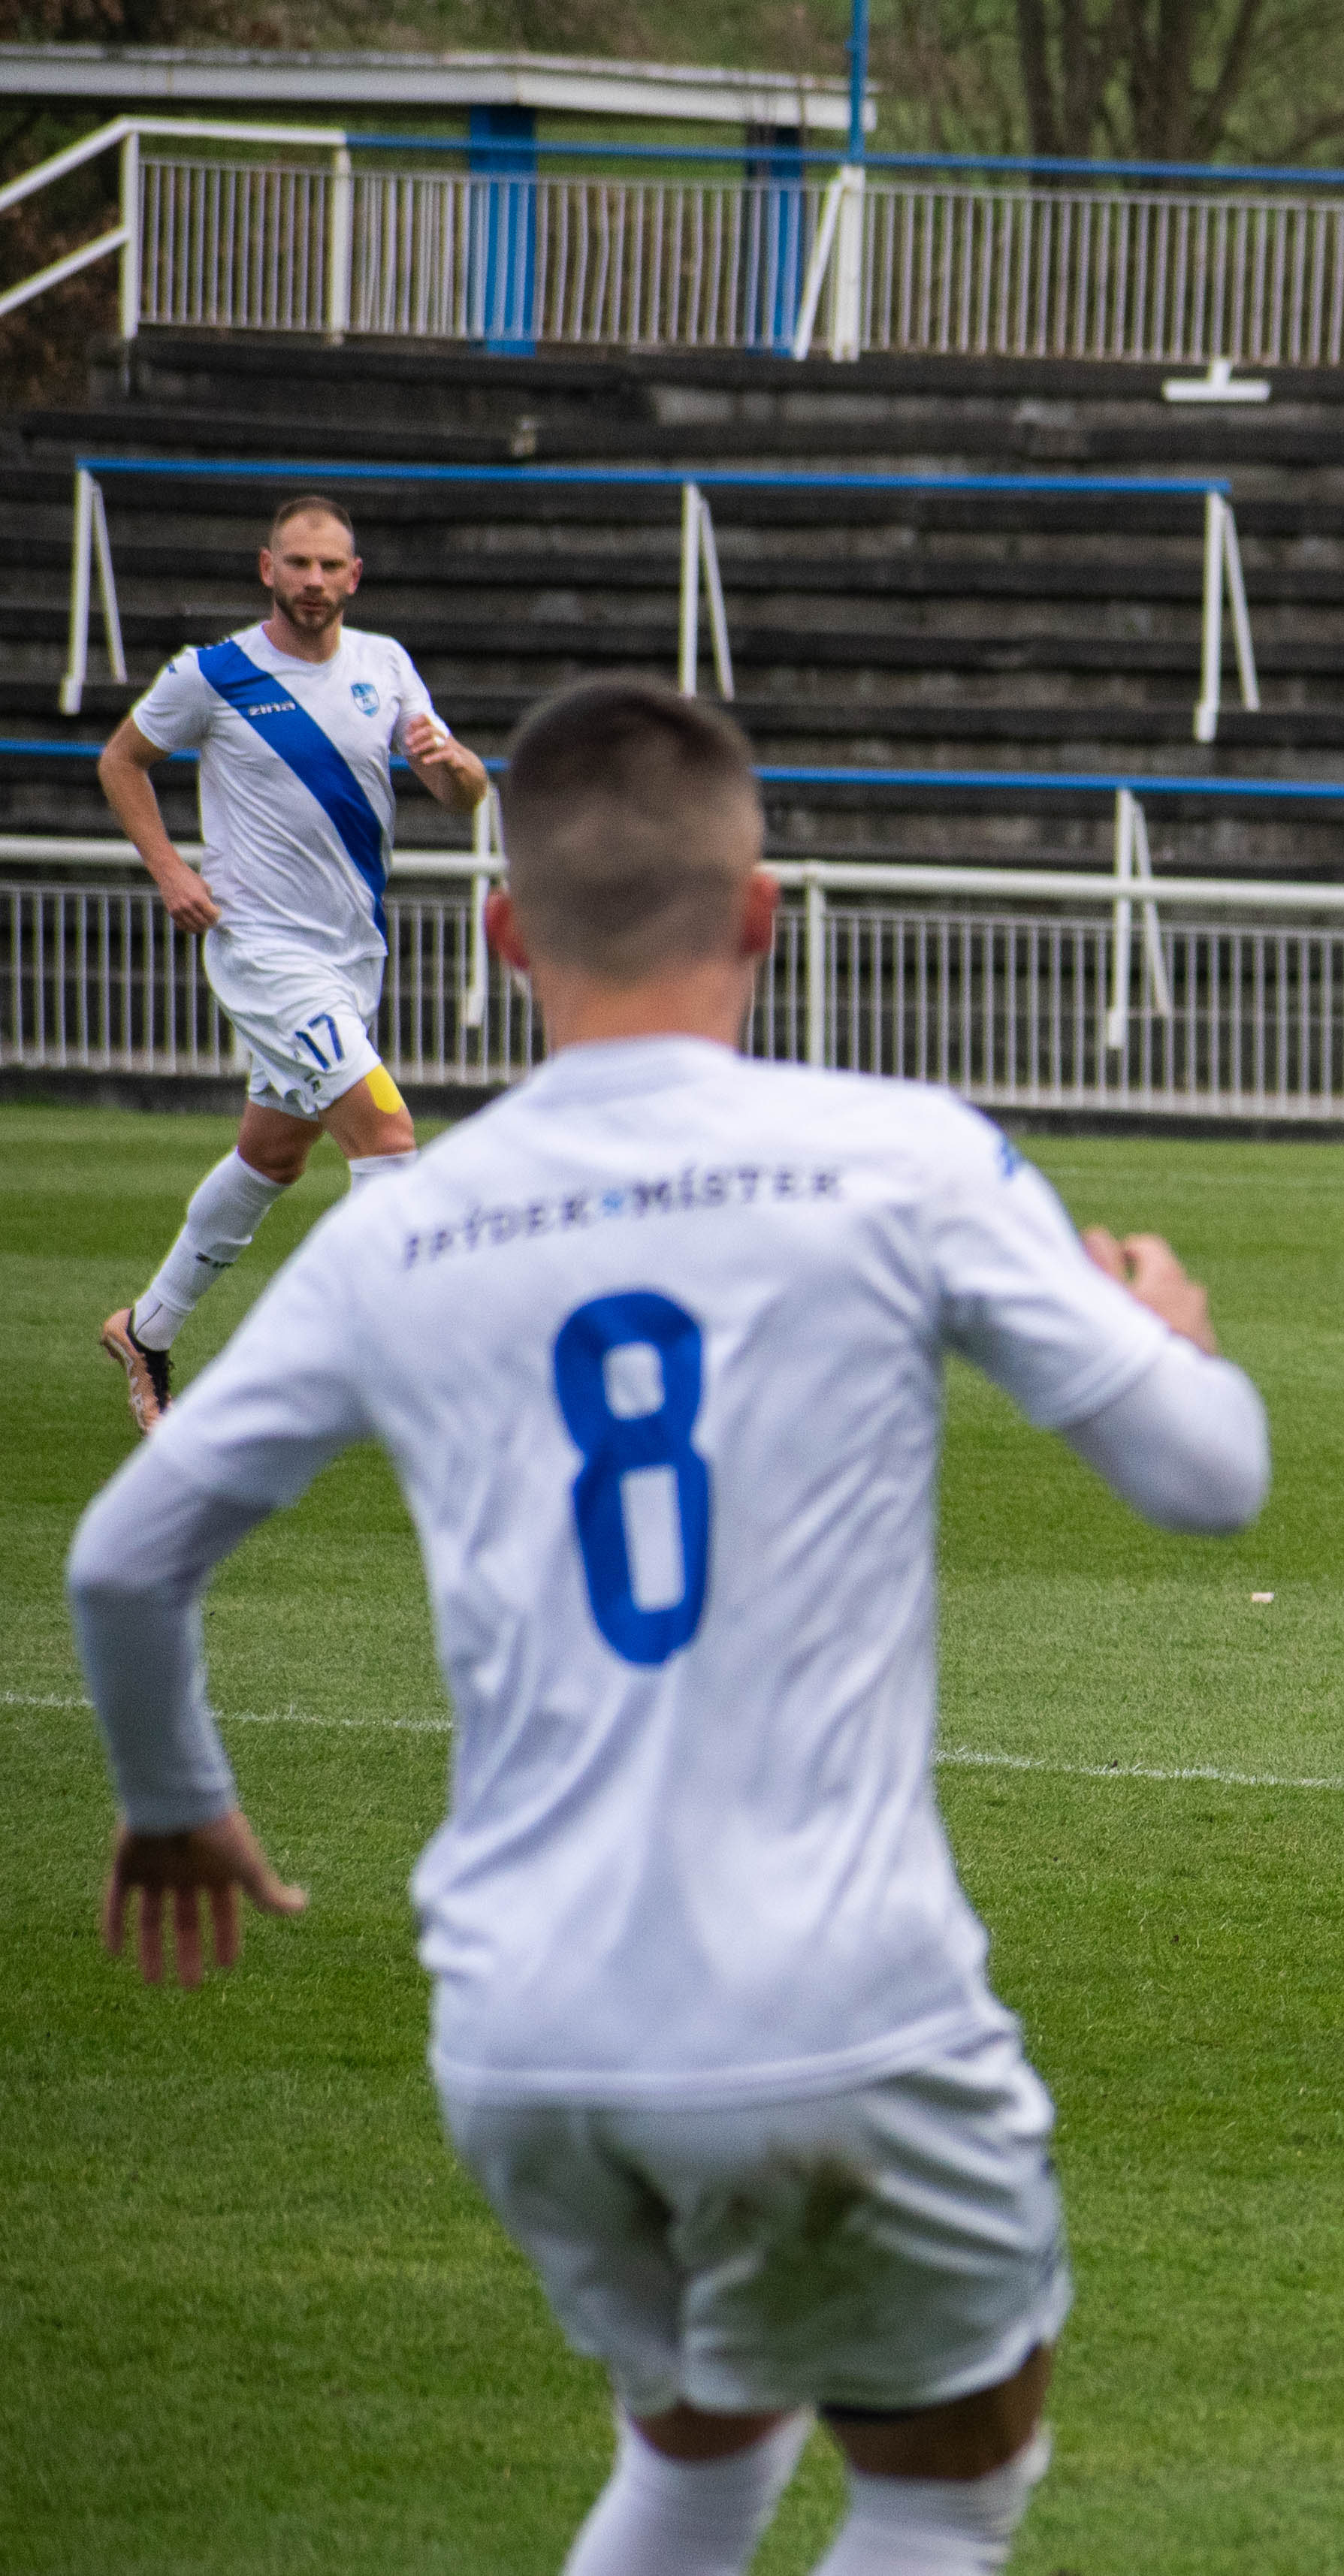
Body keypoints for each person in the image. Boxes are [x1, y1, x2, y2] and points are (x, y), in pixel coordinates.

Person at [66, 678, 1270, 2576]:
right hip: (833, 2008)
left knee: (705, 2439)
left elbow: (126, 1562)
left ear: (503, 931)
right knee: (942, 2486)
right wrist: (1171, 1338)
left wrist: (170, 1799)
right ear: (761, 914)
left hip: (529, 2035)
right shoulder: (902, 1153)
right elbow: (1209, 1477)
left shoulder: (400, 1230)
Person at [95, 494, 490, 1435]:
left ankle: (146, 1330)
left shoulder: (385, 665)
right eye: (298, 563)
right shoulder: (213, 674)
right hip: (266, 953)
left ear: (355, 576)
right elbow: (122, 760)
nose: (314, 581)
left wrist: (456, 763)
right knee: (387, 1136)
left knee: (273, 1155)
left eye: (330, 566)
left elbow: (462, 794)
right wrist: (170, 870)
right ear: (266, 567)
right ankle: (385, 1361)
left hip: (354, 952)